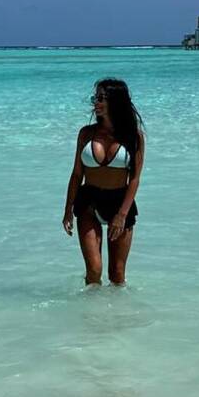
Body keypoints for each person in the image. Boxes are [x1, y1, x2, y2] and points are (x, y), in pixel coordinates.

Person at [62, 78, 145, 286]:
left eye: (100, 98)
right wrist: (67, 209)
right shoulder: (86, 133)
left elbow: (134, 178)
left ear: (115, 101)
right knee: (94, 270)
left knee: (117, 274)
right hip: (89, 202)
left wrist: (122, 215)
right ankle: (90, 306)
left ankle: (117, 307)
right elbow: (76, 174)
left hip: (120, 202)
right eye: (95, 98)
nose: (95, 103)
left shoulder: (134, 136)